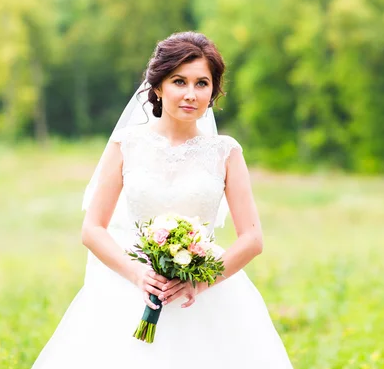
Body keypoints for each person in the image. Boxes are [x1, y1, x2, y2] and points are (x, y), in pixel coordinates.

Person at [31, 32, 294, 368]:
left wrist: (198, 283)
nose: (190, 94)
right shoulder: (126, 145)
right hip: (129, 285)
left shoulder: (225, 152)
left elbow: (253, 239)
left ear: (213, 91)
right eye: (179, 81)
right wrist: (138, 274)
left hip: (205, 294)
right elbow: (92, 229)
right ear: (157, 87)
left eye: (202, 83)